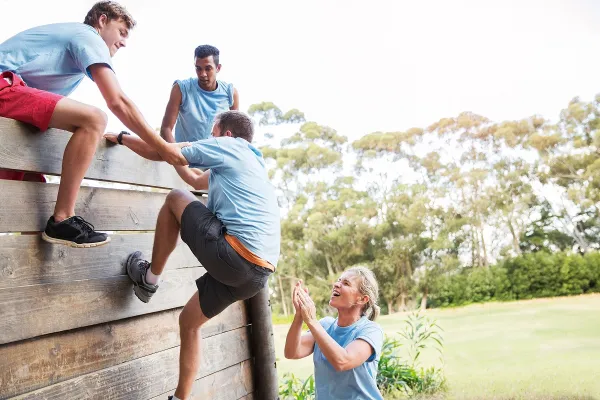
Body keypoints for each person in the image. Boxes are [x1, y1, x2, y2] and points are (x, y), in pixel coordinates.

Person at [119, 110, 280, 400]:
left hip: (236, 256)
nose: (210, 138)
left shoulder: (230, 147)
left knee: (174, 198)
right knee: (189, 322)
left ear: (226, 135)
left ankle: (149, 278)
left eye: (213, 132)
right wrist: (172, 148)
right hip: (257, 276)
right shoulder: (251, 162)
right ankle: (180, 398)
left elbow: (171, 155)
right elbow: (193, 178)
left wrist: (123, 137)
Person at [0, 0, 186, 248]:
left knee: (35, 204)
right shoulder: (87, 36)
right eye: (121, 32)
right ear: (101, 21)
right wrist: (164, 147)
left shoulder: (70, 59)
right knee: (94, 119)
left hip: (13, 106)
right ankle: (63, 218)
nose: (123, 42)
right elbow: (117, 101)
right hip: (4, 86)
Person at [110, 44, 238, 187]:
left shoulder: (230, 93)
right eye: (198, 68)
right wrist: (173, 154)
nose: (202, 74)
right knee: (160, 150)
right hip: (185, 152)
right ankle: (123, 137)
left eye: (208, 68)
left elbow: (236, 136)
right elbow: (166, 129)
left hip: (214, 157)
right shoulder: (181, 88)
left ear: (218, 68)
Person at [284, 266, 384, 400]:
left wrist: (312, 321)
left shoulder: (370, 331)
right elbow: (292, 352)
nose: (336, 284)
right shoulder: (324, 325)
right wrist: (299, 316)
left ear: (362, 299)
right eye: (339, 280)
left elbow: (343, 361)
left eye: (346, 283)